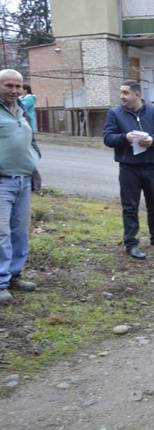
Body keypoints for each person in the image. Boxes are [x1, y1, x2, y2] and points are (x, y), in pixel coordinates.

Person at [103, 80, 154, 260]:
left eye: (126, 93)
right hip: (128, 168)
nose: (122, 97)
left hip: (152, 166)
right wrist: (124, 137)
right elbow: (107, 138)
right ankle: (131, 244)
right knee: (130, 207)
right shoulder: (115, 113)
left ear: (137, 94)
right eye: (121, 93)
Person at [0, 69, 41, 304]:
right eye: (8, 86)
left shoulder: (22, 110)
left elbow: (29, 141)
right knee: (1, 233)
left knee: (19, 231)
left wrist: (34, 164)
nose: (14, 91)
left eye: (18, 86)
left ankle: (15, 274)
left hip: (23, 180)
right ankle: (1, 281)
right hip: (2, 181)